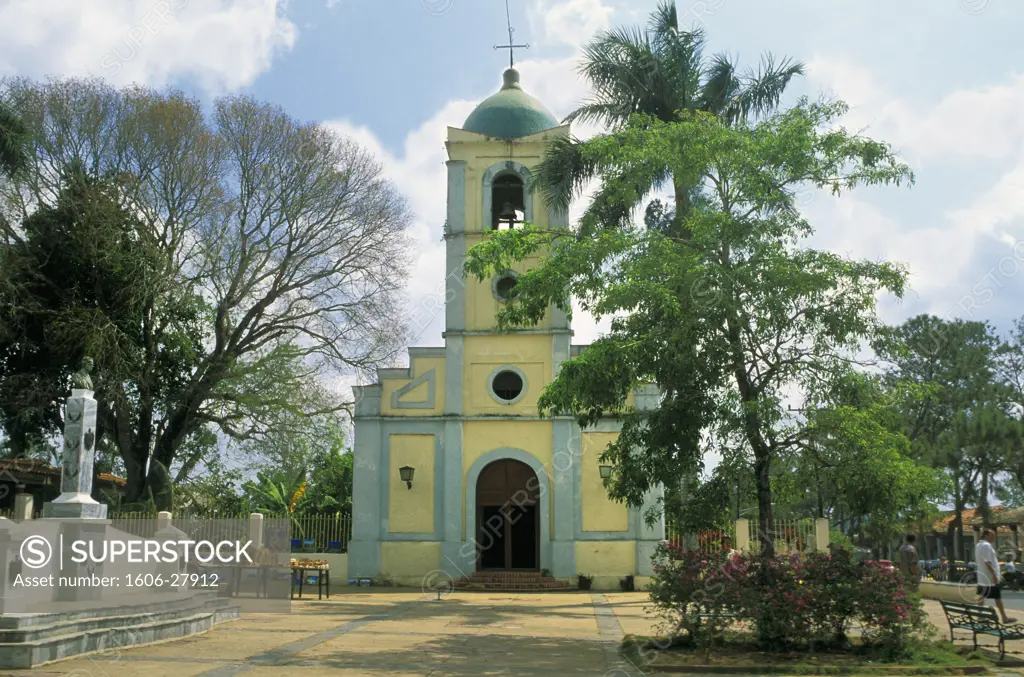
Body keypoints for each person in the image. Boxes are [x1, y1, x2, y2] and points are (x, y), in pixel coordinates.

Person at [975, 528, 1017, 622]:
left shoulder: (979, 545)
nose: (994, 537)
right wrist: (994, 575)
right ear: (986, 535)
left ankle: (980, 616)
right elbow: (987, 562)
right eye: (992, 535)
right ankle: (1004, 617)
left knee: (982, 595)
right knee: (997, 597)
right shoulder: (986, 546)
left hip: (983, 576)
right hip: (989, 577)